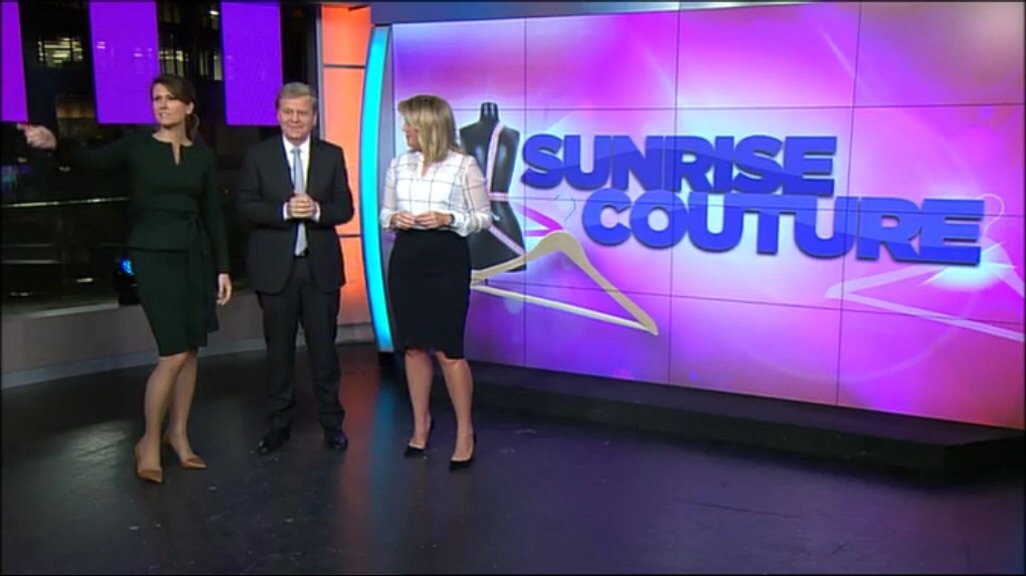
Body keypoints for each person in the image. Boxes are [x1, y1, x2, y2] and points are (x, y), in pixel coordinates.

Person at [21, 74, 232, 484]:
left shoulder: (203, 157)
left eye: (171, 98)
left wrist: (223, 267)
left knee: (190, 350)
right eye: (157, 98)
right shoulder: (137, 146)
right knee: (173, 351)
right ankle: (148, 441)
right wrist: (55, 143)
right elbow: (92, 160)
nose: (162, 105)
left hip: (194, 257)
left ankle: (178, 435)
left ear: (189, 107)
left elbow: (213, 214)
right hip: (152, 255)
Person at [237, 82, 354, 455]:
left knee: (324, 352)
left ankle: (332, 424)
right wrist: (284, 211)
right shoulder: (258, 156)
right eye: (288, 112)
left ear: (314, 117)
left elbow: (345, 208)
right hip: (276, 271)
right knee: (279, 353)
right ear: (277, 115)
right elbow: (245, 206)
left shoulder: (331, 155)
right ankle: (278, 425)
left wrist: (316, 211)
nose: (294, 119)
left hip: (319, 270)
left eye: (302, 112)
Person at [379, 94, 492, 470]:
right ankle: (420, 425)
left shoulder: (464, 166)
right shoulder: (399, 164)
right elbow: (384, 212)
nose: (404, 129)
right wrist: (395, 219)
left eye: (409, 124)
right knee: (413, 347)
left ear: (428, 126)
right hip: (407, 258)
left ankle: (465, 432)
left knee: (448, 350)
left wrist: (448, 219)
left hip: (446, 260)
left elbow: (483, 217)